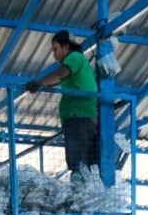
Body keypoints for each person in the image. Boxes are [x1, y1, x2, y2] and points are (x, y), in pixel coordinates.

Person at [25, 29, 98, 176]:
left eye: (56, 49)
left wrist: (39, 84)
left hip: (78, 116)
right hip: (79, 117)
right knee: (82, 161)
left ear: (66, 47)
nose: (54, 54)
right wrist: (43, 84)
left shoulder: (74, 57)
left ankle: (80, 192)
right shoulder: (79, 62)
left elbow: (60, 74)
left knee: (78, 162)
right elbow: (57, 79)